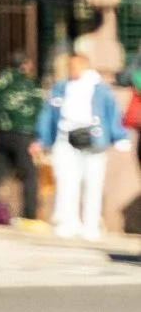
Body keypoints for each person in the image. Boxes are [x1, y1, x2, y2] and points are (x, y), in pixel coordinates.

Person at [40, 53, 120, 242]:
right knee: (67, 181)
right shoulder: (61, 87)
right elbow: (49, 114)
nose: (72, 71)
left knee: (93, 182)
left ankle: (91, 224)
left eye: (75, 67)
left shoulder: (100, 88)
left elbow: (112, 113)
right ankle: (69, 221)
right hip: (66, 136)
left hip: (93, 138)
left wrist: (118, 136)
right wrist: (44, 138)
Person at [0, 52, 44, 223]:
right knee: (30, 174)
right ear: (25, 64)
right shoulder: (30, 84)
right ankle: (30, 215)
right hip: (24, 133)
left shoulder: (1, 80)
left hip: (3, 132)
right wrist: (38, 135)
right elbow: (38, 110)